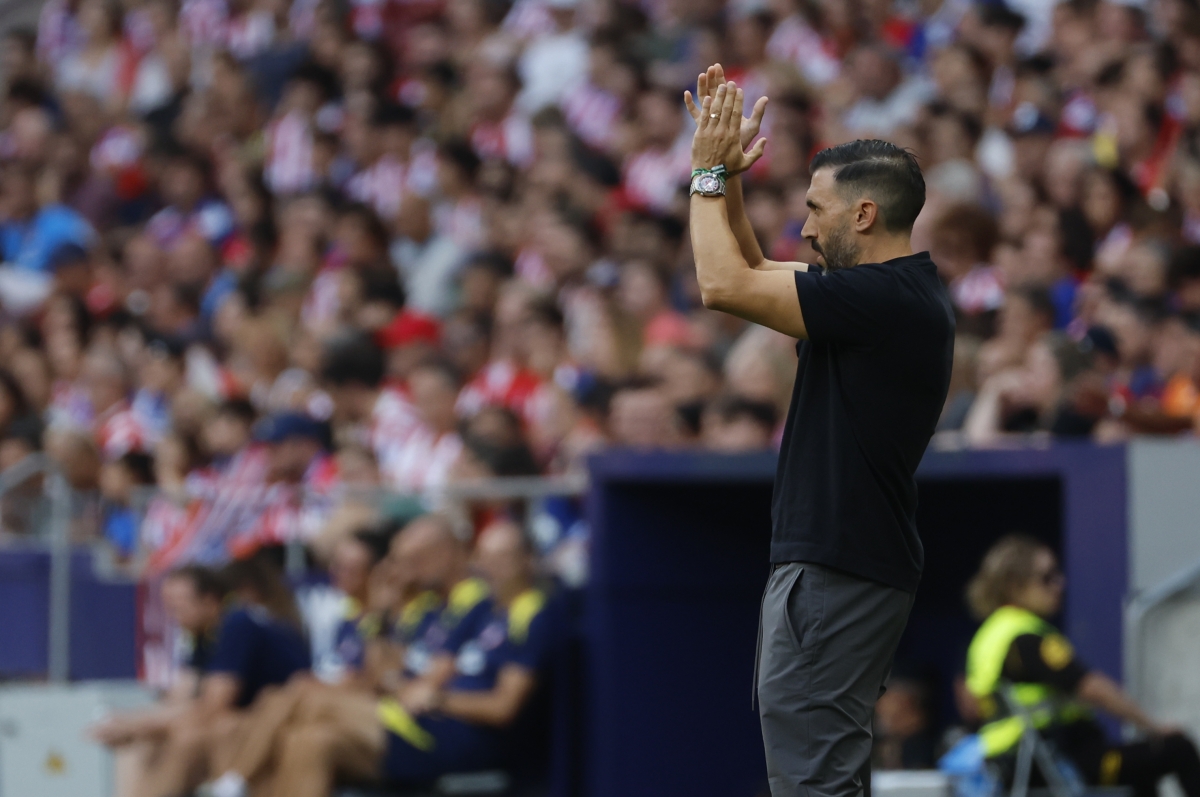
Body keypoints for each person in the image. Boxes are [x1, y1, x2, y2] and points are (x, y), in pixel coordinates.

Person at [684, 64, 954, 797]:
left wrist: (706, 173)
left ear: (863, 215)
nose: (804, 226)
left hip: (838, 565)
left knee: (814, 783)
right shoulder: (885, 298)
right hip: (846, 562)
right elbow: (746, 268)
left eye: (815, 208)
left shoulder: (885, 299)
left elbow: (720, 284)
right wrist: (729, 179)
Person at [964, 535, 1200, 797]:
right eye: (1047, 577)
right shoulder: (1027, 637)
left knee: (1140, 773)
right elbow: (1092, 688)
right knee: (1178, 748)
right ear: (1014, 584)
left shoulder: (989, 636)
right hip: (1058, 759)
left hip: (1010, 759)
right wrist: (1153, 727)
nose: (1059, 584)